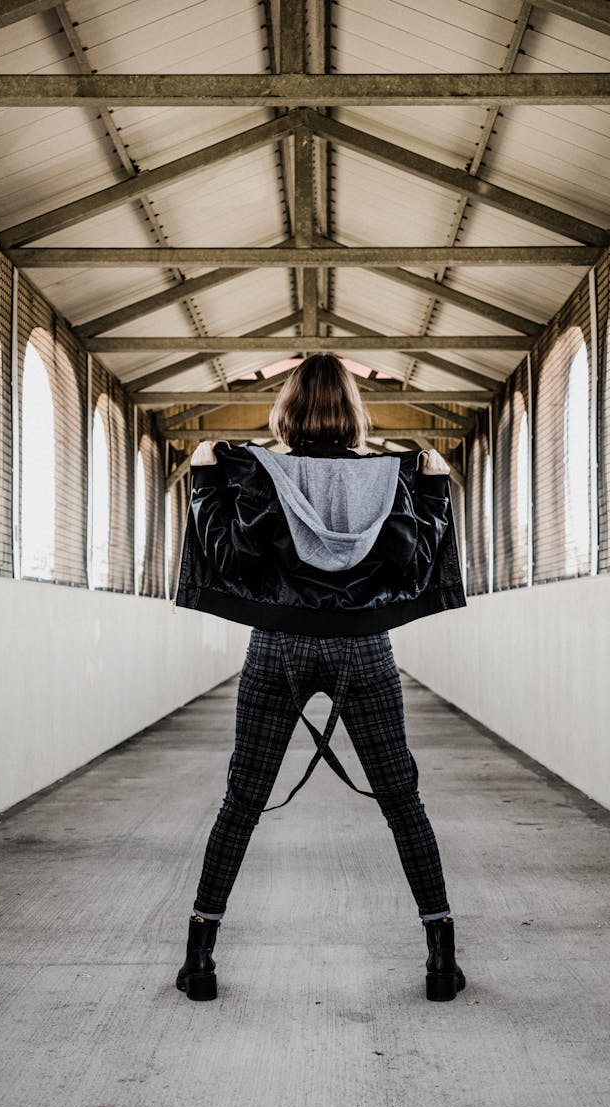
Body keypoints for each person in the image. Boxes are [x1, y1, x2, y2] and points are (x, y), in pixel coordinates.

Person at [175, 353, 466, 1003]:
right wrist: (428, 478)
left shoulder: (260, 475)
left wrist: (244, 393)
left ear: (288, 411)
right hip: (364, 645)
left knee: (241, 802)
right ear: (353, 414)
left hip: (277, 641)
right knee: (402, 801)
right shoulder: (388, 477)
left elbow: (227, 548)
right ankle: (441, 957)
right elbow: (417, 553)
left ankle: (200, 956)